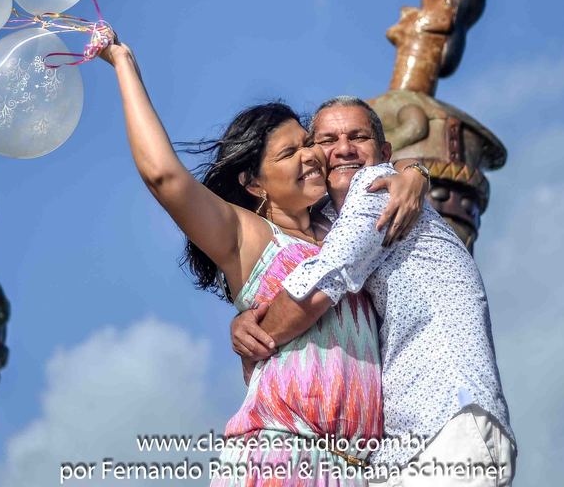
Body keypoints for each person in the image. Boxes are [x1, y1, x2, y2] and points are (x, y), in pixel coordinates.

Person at [99, 38, 430, 485]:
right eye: (289, 153)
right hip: (280, 456)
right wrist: (124, 65)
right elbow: (163, 176)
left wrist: (415, 172)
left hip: (357, 473)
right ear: (254, 183)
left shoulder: (343, 231)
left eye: (307, 144)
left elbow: (382, 160)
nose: (312, 156)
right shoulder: (248, 237)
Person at [231, 97, 516, 487]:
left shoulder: (376, 187)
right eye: (328, 139)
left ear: (383, 153)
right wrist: (242, 319)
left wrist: (260, 337)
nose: (343, 148)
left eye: (358, 136)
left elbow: (325, 279)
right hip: (400, 450)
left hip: (451, 419)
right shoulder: (334, 221)